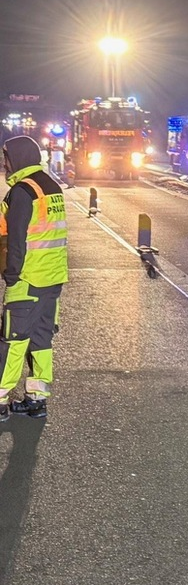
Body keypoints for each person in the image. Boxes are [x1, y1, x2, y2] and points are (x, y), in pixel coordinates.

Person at [0, 136, 69, 422]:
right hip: (52, 278)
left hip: (28, 278)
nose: (4, 165)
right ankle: (37, 399)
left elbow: (17, 240)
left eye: (6, 159)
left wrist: (11, 275)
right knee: (41, 339)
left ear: (16, 158)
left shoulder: (22, 191)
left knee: (12, 339)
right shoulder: (51, 186)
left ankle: (0, 399)